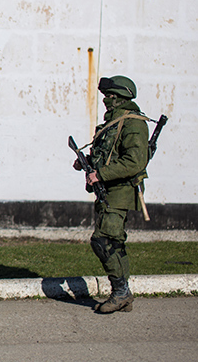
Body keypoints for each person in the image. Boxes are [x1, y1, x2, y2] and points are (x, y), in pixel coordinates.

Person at [74, 75, 149, 314]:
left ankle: (121, 293)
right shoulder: (115, 121)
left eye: (110, 96)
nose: (106, 100)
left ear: (119, 97)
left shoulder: (133, 123)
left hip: (121, 190)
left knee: (103, 240)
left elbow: (134, 161)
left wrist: (101, 174)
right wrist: (86, 163)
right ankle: (123, 294)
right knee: (114, 242)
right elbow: (108, 152)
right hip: (109, 189)